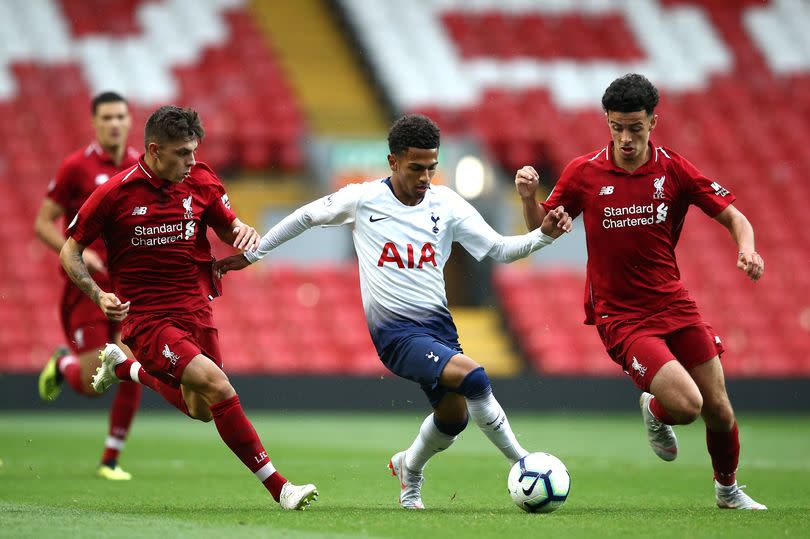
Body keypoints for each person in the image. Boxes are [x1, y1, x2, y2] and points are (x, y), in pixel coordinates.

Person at [214, 114, 572, 510]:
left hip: (439, 329)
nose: (425, 177)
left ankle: (409, 468)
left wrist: (541, 234)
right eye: (416, 168)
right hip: (395, 334)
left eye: (432, 168)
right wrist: (254, 253)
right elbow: (306, 216)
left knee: (453, 420)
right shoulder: (363, 199)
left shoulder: (447, 203)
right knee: (474, 376)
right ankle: (522, 462)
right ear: (393, 162)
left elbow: (500, 250)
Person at [514, 73, 766, 510]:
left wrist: (748, 250)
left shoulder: (673, 169)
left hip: (674, 303)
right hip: (622, 316)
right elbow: (541, 229)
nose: (625, 138)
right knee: (688, 406)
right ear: (606, 122)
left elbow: (734, 217)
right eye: (616, 127)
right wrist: (528, 200)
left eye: (635, 127)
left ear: (654, 121)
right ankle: (656, 409)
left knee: (720, 409)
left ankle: (728, 492)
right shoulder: (584, 173)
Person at [60, 105, 318, 510]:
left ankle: (124, 368)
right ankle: (280, 488)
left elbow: (226, 224)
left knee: (201, 408)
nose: (192, 161)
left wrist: (240, 230)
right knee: (219, 386)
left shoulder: (201, 180)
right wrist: (98, 294)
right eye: (182, 153)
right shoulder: (114, 194)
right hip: (147, 319)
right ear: (154, 150)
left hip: (197, 310)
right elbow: (69, 250)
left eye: (194, 151)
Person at [35, 91, 143, 480]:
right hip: (85, 287)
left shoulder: (140, 166)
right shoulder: (75, 167)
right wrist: (78, 254)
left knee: (134, 362)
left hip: (128, 284)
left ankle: (110, 459)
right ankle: (64, 364)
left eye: (120, 116)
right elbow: (43, 222)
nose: (114, 123)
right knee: (94, 381)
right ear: (95, 123)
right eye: (107, 117)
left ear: (130, 121)